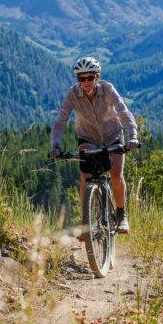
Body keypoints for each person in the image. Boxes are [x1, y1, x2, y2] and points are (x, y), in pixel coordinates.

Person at [49, 56, 139, 238]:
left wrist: (133, 136)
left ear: (97, 76)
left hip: (113, 136)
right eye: (81, 78)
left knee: (115, 175)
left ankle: (121, 215)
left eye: (90, 77)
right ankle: (86, 222)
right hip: (88, 137)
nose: (86, 82)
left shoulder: (107, 89)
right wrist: (56, 144)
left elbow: (123, 112)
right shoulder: (73, 94)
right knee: (85, 176)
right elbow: (61, 120)